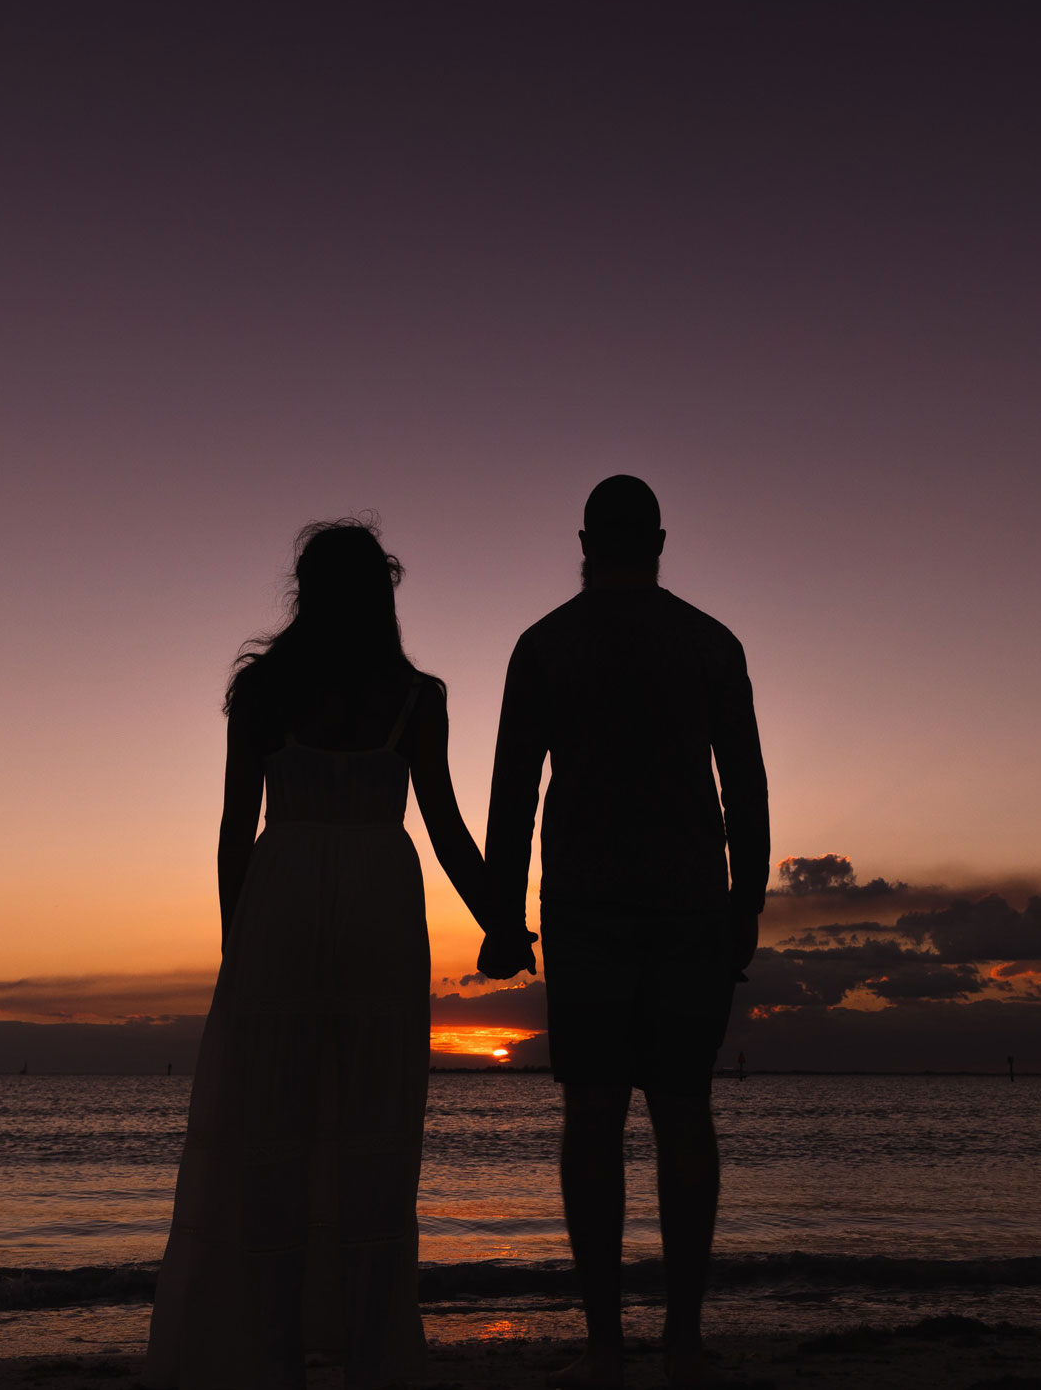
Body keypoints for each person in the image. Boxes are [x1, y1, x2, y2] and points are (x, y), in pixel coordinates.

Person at [147, 519, 512, 1390]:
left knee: (272, 1128)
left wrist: (240, 950)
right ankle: (370, 1350)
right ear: (381, 593)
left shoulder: (266, 690)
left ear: (306, 593)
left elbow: (238, 831)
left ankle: (268, 1348)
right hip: (381, 909)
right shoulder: (415, 696)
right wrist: (500, 920)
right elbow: (450, 832)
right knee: (372, 1130)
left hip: (283, 905)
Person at [479, 475, 770, 1388]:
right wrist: (746, 903)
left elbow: (513, 792)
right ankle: (681, 1342)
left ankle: (606, 1345)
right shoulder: (711, 643)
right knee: (684, 1109)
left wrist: (502, 916)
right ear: (660, 541)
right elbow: (747, 787)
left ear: (583, 542)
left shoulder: (544, 645)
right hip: (691, 904)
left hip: (586, 906)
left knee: (594, 1114)